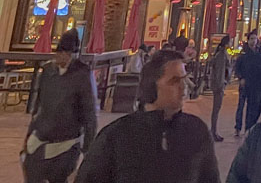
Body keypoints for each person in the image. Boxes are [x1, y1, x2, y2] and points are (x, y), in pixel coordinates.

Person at [75, 49, 219, 183]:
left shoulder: (197, 131)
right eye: (174, 81)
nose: (183, 86)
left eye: (184, 79)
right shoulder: (117, 135)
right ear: (152, 86)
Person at [23, 29, 97, 183]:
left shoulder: (82, 74)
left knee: (58, 177)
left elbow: (90, 113)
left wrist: (88, 151)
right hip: (40, 136)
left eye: (64, 53)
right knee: (32, 174)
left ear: (71, 55)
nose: (60, 57)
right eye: (58, 52)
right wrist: (30, 132)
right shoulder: (48, 71)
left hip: (67, 141)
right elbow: (39, 105)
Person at [234, 31, 261, 136]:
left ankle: (248, 127)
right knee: (241, 106)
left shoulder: (259, 55)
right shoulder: (243, 55)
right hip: (245, 84)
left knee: (251, 106)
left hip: (255, 85)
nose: (253, 41)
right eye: (252, 39)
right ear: (248, 40)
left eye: (255, 39)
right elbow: (237, 68)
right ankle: (238, 127)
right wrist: (241, 78)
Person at [209, 35, 231, 142]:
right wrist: (220, 85)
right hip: (219, 85)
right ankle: (213, 131)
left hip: (218, 84)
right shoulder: (222, 55)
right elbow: (221, 71)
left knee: (216, 109)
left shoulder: (220, 53)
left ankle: (213, 131)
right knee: (216, 109)